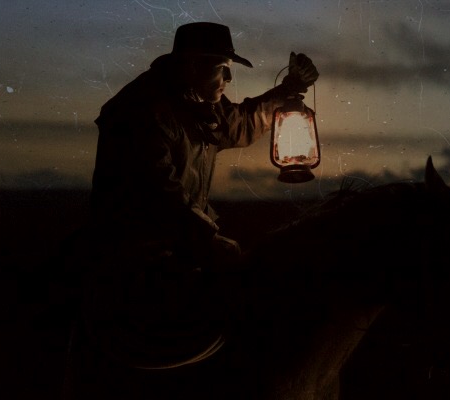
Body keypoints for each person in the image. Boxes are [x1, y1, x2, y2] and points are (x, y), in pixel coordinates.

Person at [77, 21, 319, 389]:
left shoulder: (195, 104)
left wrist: (290, 90)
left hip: (179, 242)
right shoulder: (142, 111)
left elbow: (239, 123)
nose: (228, 79)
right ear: (191, 66)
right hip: (134, 253)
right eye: (222, 68)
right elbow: (158, 193)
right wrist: (208, 240)